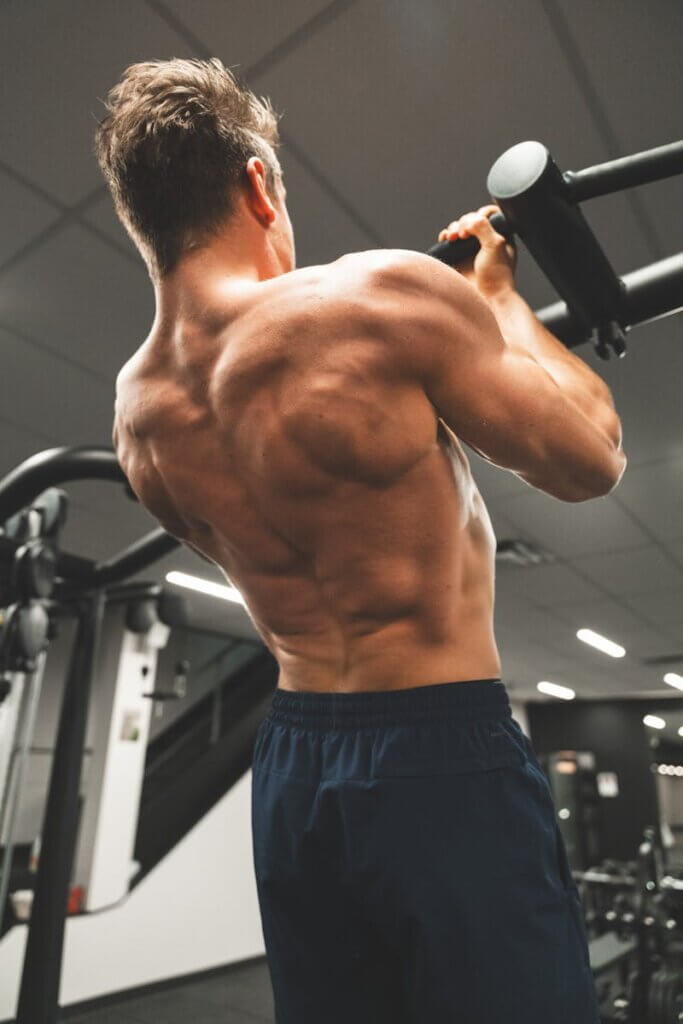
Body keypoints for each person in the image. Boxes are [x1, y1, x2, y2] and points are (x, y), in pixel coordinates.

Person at [97, 58, 625, 1023]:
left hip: (293, 768)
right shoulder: (377, 298)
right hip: (441, 751)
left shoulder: (136, 414)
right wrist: (498, 300)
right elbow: (591, 459)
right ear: (258, 184)